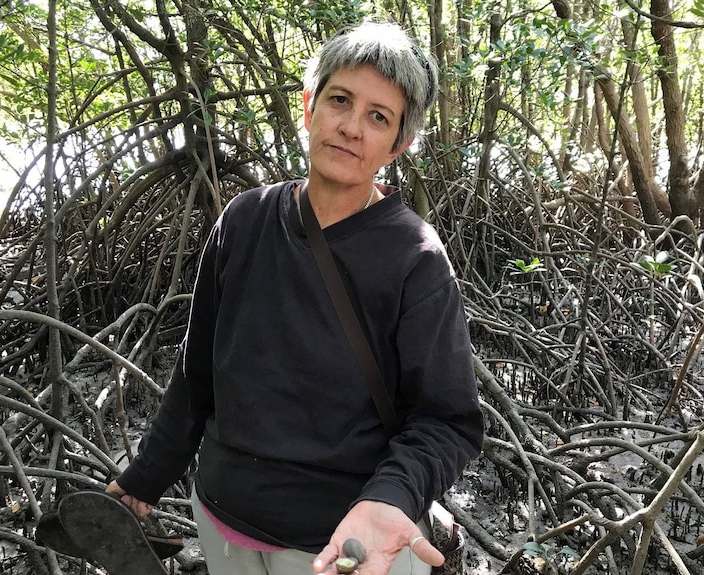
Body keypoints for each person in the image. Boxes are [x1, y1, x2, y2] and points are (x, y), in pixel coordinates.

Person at [107, 20, 484, 575]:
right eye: (340, 100)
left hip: (347, 546)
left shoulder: (416, 258)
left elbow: (448, 420)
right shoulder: (244, 219)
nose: (351, 127)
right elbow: (199, 371)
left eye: (378, 117)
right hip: (223, 522)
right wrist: (145, 478)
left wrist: (391, 497)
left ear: (398, 144)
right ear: (309, 105)